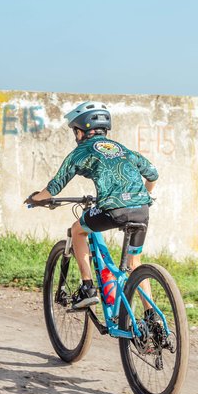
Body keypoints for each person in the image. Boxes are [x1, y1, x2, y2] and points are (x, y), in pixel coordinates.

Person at [25, 101, 158, 309]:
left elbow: (55, 186)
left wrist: (36, 199)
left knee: (77, 230)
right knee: (134, 264)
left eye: (74, 131)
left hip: (113, 210)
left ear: (80, 131)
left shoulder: (82, 152)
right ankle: (153, 319)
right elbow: (153, 174)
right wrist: (142, 195)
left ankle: (87, 287)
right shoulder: (123, 150)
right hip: (142, 209)